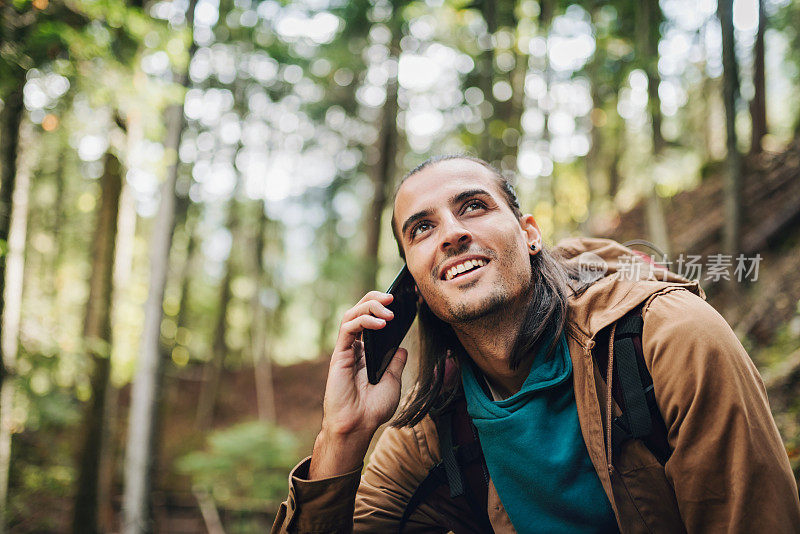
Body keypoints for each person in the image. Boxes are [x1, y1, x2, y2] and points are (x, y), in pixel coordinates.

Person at [271, 155, 800, 533]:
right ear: (413, 285)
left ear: (529, 234)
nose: (452, 233)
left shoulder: (671, 338)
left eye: (474, 206)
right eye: (421, 229)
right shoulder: (436, 427)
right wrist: (342, 435)